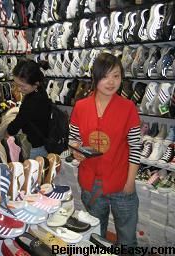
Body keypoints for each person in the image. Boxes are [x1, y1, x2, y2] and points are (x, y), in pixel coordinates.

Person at [69, 52, 141, 252]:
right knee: (95, 236)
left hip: (121, 183)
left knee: (127, 238)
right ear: (95, 77)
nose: (111, 82)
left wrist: (130, 182)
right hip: (92, 186)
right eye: (105, 76)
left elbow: (136, 146)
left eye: (116, 76)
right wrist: (76, 151)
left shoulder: (128, 108)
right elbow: (73, 140)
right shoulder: (81, 107)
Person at [6, 59, 51, 159]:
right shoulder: (38, 91)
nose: (19, 89)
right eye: (17, 85)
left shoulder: (33, 101)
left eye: (22, 86)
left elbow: (16, 124)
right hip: (40, 144)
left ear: (35, 83)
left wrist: (6, 132)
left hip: (35, 148)